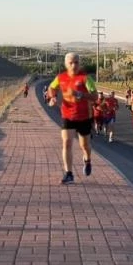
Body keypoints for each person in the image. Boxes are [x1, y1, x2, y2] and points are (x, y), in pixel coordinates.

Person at [46, 53, 98, 184]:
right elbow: (52, 88)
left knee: (84, 145)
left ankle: (87, 160)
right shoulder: (61, 77)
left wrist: (82, 95)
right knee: (66, 143)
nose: (74, 65)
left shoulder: (85, 78)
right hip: (67, 115)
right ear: (66, 64)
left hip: (84, 117)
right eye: (71, 63)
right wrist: (52, 97)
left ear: (79, 63)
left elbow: (95, 96)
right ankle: (69, 173)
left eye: (76, 62)